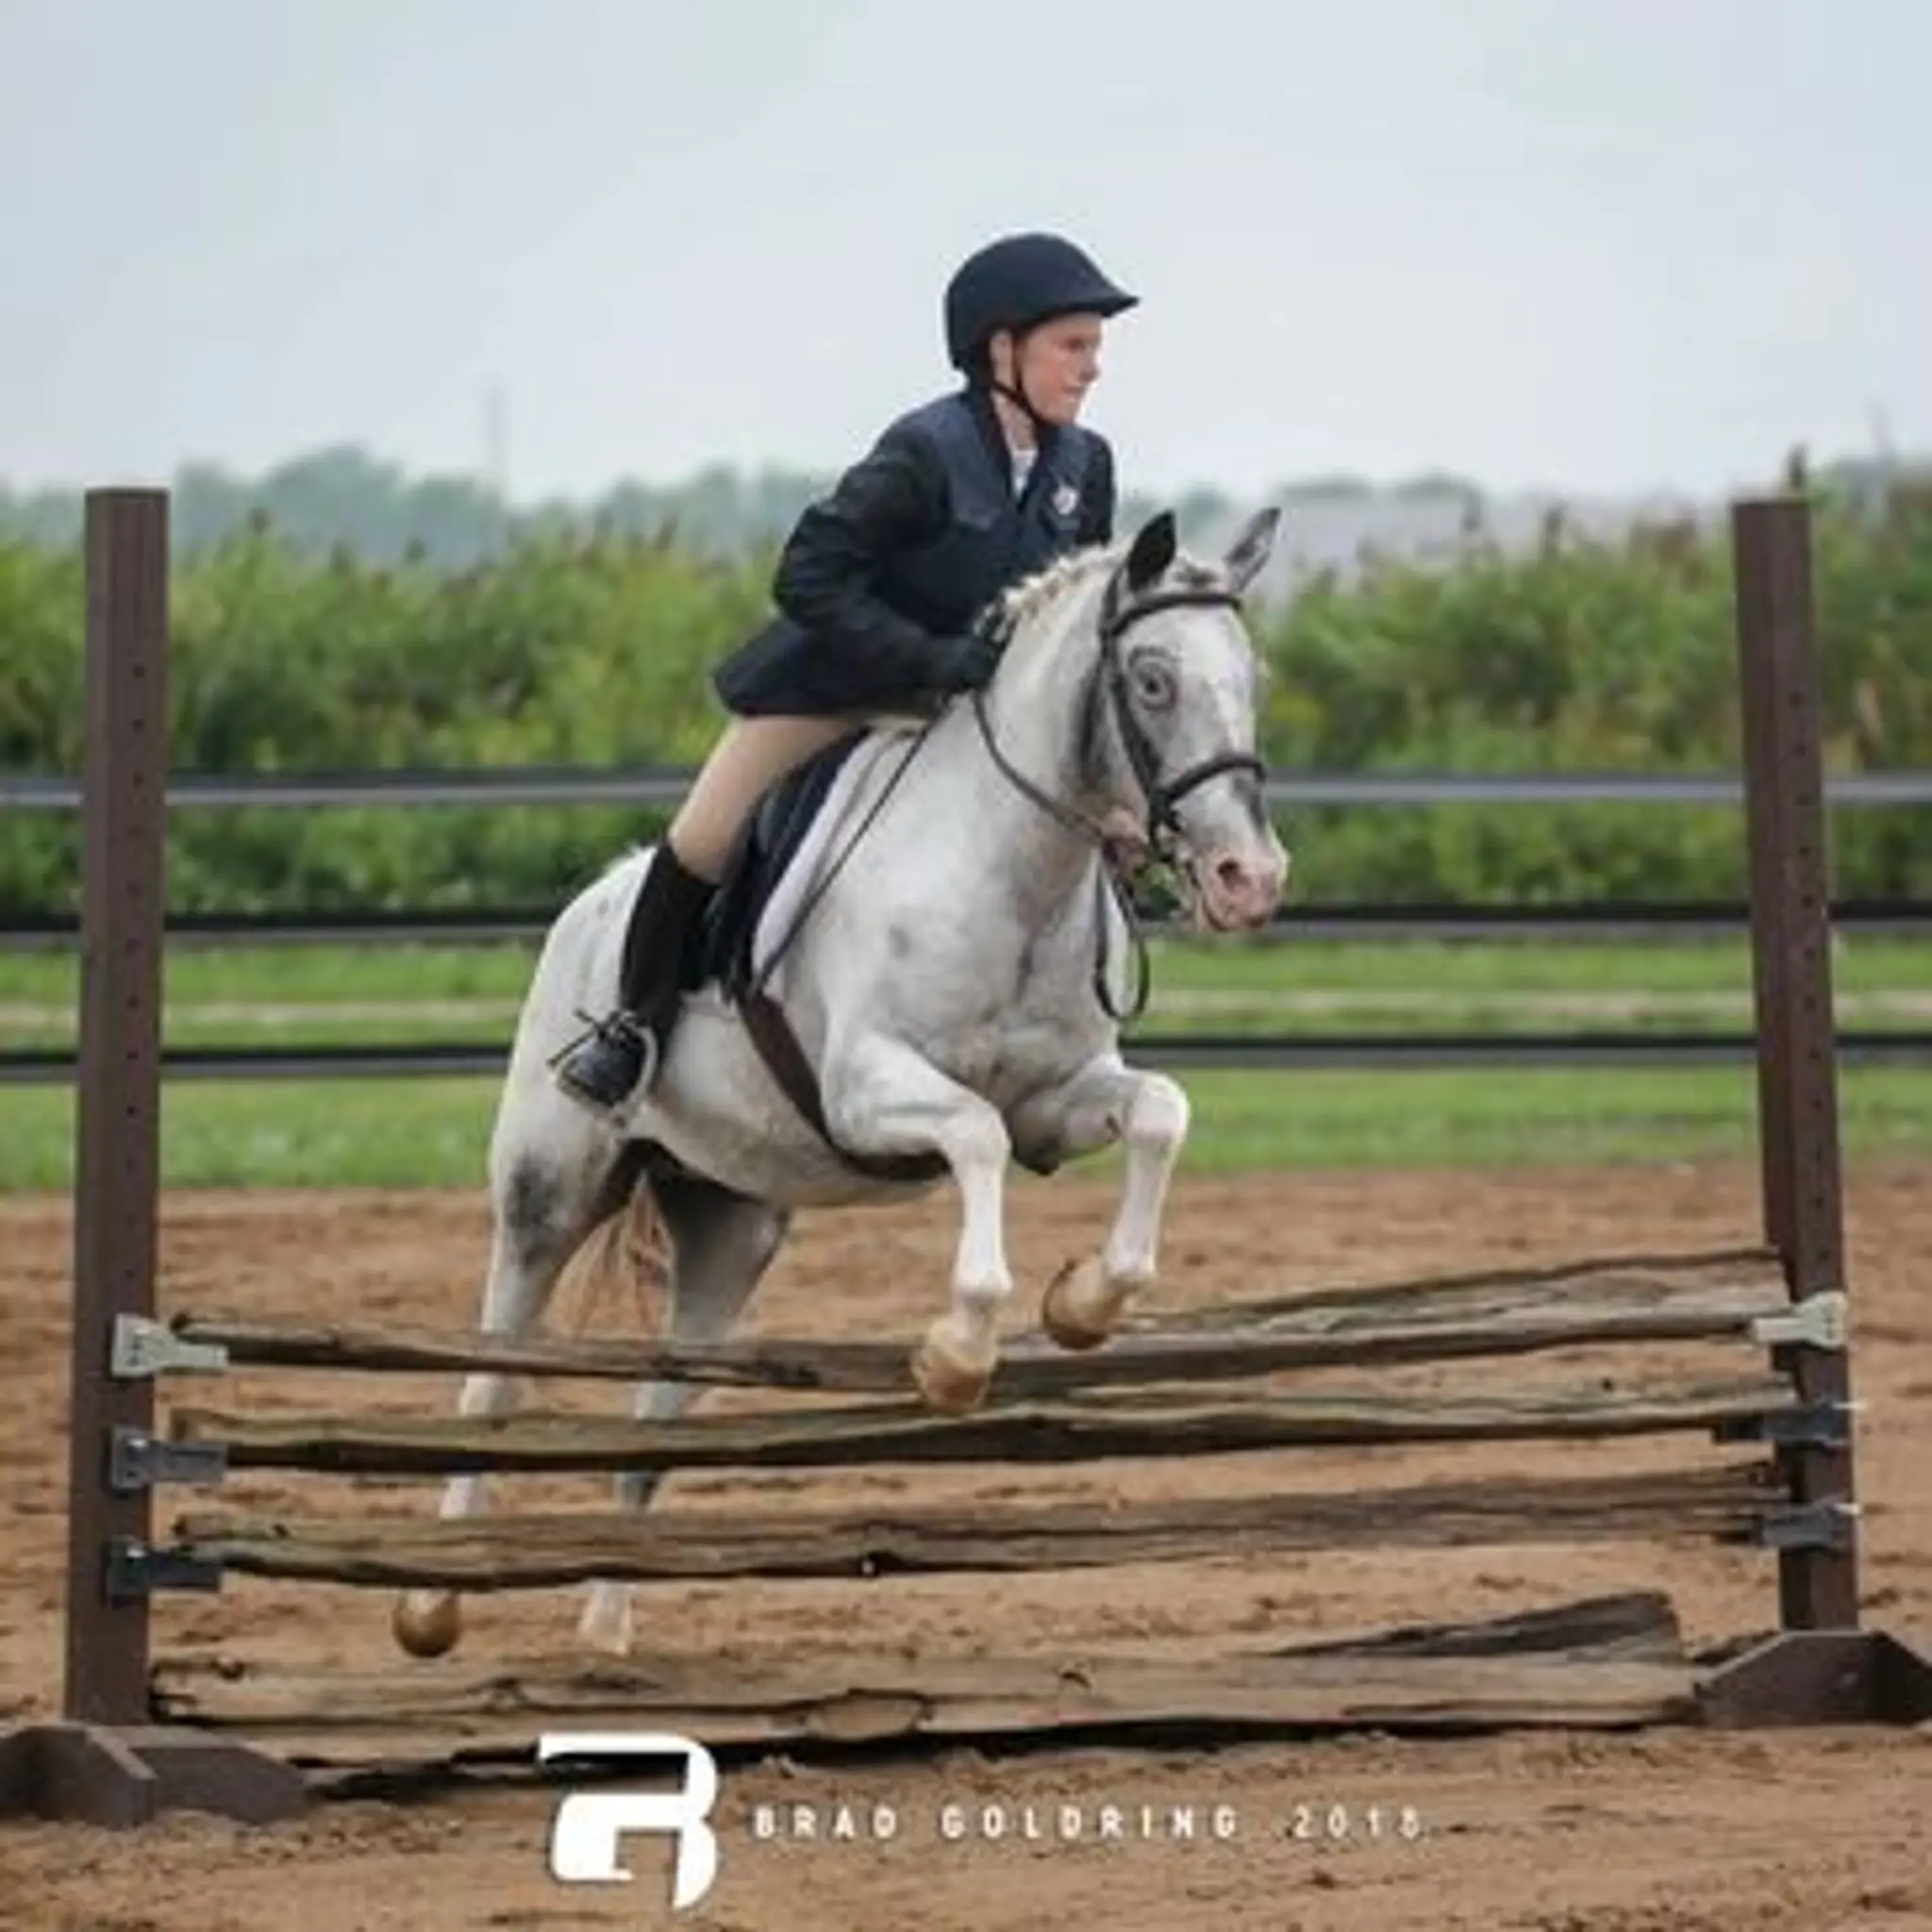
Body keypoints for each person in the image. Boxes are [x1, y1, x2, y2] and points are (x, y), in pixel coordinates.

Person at [553, 230, 1139, 1113]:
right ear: (1001, 350)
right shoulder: (924, 451)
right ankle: (631, 1030)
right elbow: (808, 577)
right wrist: (924, 657)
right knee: (706, 833)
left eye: (1095, 346)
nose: (1093, 367)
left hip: (974, 707)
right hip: (838, 687)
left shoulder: (1084, 467)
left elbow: (1070, 614)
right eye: (1073, 345)